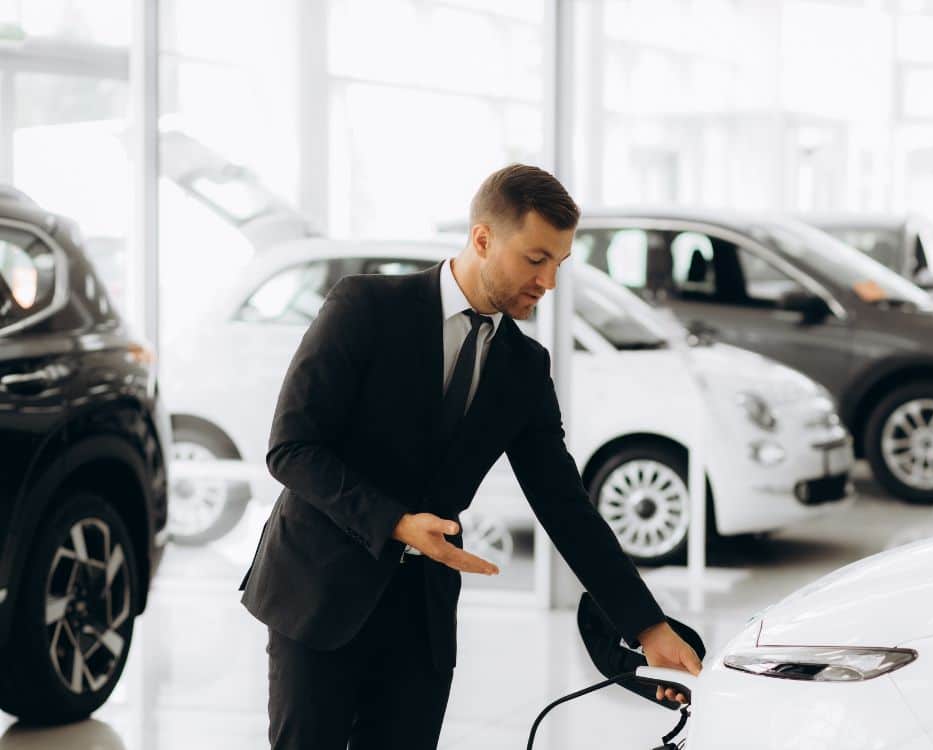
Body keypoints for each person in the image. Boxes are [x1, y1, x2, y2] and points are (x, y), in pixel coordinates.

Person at [239, 164, 703, 749]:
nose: (548, 282)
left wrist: (647, 625)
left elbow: (564, 504)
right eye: (536, 259)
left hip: (422, 622)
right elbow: (292, 448)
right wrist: (398, 525)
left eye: (558, 264)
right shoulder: (365, 306)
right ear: (483, 239)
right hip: (320, 596)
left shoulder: (524, 368)